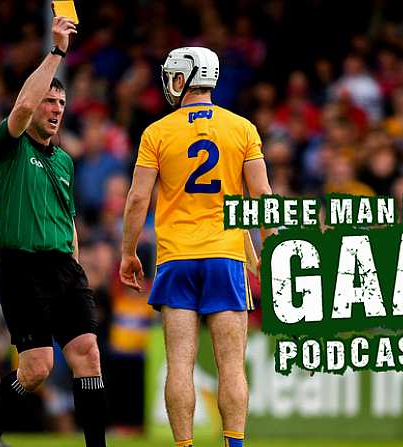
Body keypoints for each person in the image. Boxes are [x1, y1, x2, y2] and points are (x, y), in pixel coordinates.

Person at [119, 47, 274, 447]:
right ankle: (234, 444)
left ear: (183, 78)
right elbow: (261, 196)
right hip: (226, 257)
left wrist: (129, 252)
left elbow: (138, 199)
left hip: (176, 259)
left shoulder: (157, 132)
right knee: (231, 367)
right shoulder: (242, 129)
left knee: (179, 365)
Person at [0, 16, 107, 447]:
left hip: (64, 266)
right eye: (49, 102)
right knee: (37, 369)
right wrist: (57, 52)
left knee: (88, 355)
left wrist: (76, 265)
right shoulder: (8, 146)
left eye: (60, 105)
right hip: (22, 268)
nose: (55, 110)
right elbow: (22, 108)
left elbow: (67, 219)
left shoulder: (64, 161)